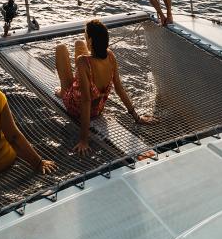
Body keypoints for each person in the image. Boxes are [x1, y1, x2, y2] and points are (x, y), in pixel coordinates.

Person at [54, 18, 155, 155]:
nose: (85, 39)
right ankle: (71, 86)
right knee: (78, 44)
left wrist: (84, 140)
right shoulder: (111, 56)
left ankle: (63, 91)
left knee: (61, 48)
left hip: (77, 108)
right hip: (98, 109)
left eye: (86, 36)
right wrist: (137, 117)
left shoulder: (83, 62)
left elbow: (85, 101)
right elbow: (119, 89)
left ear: (90, 41)